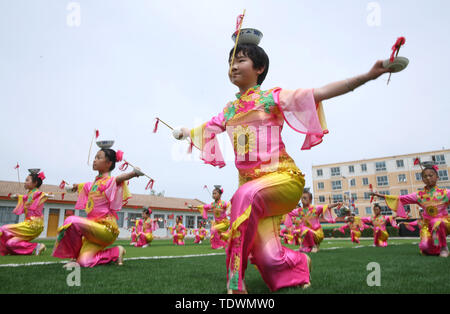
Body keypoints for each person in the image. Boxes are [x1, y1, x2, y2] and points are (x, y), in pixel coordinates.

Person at [173, 31, 396, 293]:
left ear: (259, 68)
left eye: (241, 60)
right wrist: (184, 132)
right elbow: (205, 128)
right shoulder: (229, 110)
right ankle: (300, 262)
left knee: (242, 197)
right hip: (253, 191)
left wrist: (368, 76)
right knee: (269, 259)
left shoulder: (272, 98)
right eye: (231, 62)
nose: (233, 66)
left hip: (283, 179)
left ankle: (235, 280)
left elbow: (319, 92)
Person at [52, 148, 142, 267]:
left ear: (109, 163)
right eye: (95, 157)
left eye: (99, 157)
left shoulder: (110, 181)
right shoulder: (91, 185)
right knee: (85, 262)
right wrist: (73, 187)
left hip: (105, 229)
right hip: (93, 230)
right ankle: (116, 251)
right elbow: (79, 186)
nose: (94, 160)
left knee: (71, 221)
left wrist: (133, 173)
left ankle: (73, 257)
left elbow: (120, 178)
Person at [372, 164, 449, 257]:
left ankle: (443, 247)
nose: (428, 178)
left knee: (437, 222)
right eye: (425, 176)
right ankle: (435, 244)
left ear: (437, 177)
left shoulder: (445, 193)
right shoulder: (419, 195)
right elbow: (400, 198)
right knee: (425, 248)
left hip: (444, 223)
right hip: (427, 225)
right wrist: (380, 195)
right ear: (422, 180)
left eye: (431, 175)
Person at [0, 170, 50, 256]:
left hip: (33, 224)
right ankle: (37, 246)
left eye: (27, 180)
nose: (25, 182)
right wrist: (18, 196)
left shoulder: (37, 193)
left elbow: (38, 195)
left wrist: (45, 194)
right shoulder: (30, 194)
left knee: (3, 229)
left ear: (35, 183)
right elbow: (26, 197)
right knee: (10, 243)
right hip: (30, 224)